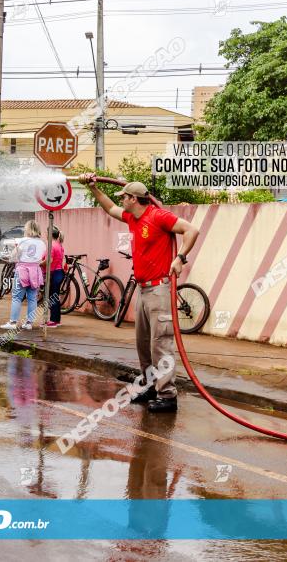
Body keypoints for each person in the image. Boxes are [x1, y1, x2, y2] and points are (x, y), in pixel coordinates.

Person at [78, 175, 199, 413]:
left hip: (159, 289)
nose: (121, 200)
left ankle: (167, 395)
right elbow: (110, 208)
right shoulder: (134, 219)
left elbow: (192, 230)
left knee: (160, 344)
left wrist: (180, 258)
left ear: (134, 198)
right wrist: (93, 188)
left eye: (124, 197)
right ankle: (151, 387)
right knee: (143, 344)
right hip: (143, 289)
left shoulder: (158, 216)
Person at [0, 220, 46, 331]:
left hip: (22, 271)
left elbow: (13, 255)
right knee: (32, 298)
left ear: (27, 229)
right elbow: (42, 258)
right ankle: (29, 323)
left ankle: (13, 322)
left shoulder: (21, 241)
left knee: (17, 297)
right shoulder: (42, 243)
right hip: (35, 271)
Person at [42, 226, 65, 328]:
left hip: (53, 273)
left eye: (47, 233)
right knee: (55, 296)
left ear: (50, 234)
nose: (46, 235)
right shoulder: (59, 245)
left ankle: (53, 320)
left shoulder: (51, 246)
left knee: (52, 296)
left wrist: (38, 263)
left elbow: (49, 261)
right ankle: (56, 319)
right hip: (59, 272)